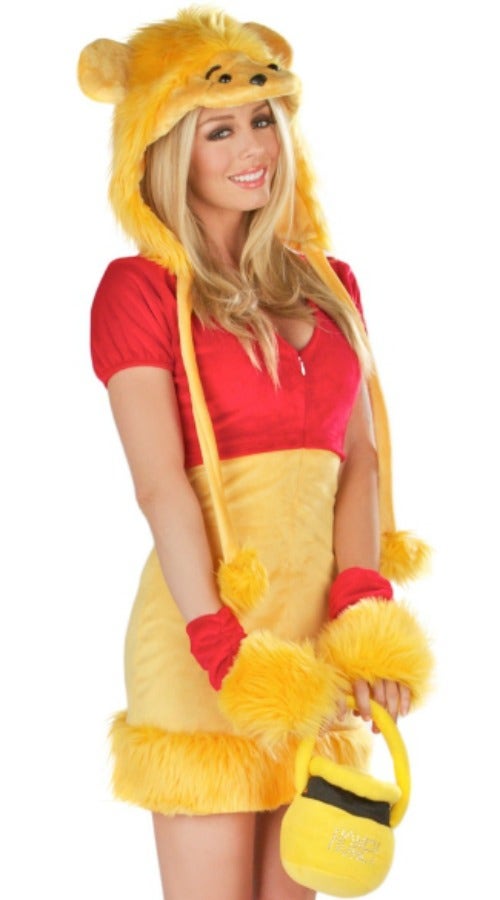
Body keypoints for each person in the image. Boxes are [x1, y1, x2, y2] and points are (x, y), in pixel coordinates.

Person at [78, 8, 433, 899]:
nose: (254, 148)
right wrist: (219, 644)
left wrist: (363, 612)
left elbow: (360, 462)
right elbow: (161, 487)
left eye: (263, 119)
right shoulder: (139, 291)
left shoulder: (329, 284)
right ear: (167, 149)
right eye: (219, 130)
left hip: (313, 646)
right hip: (207, 639)